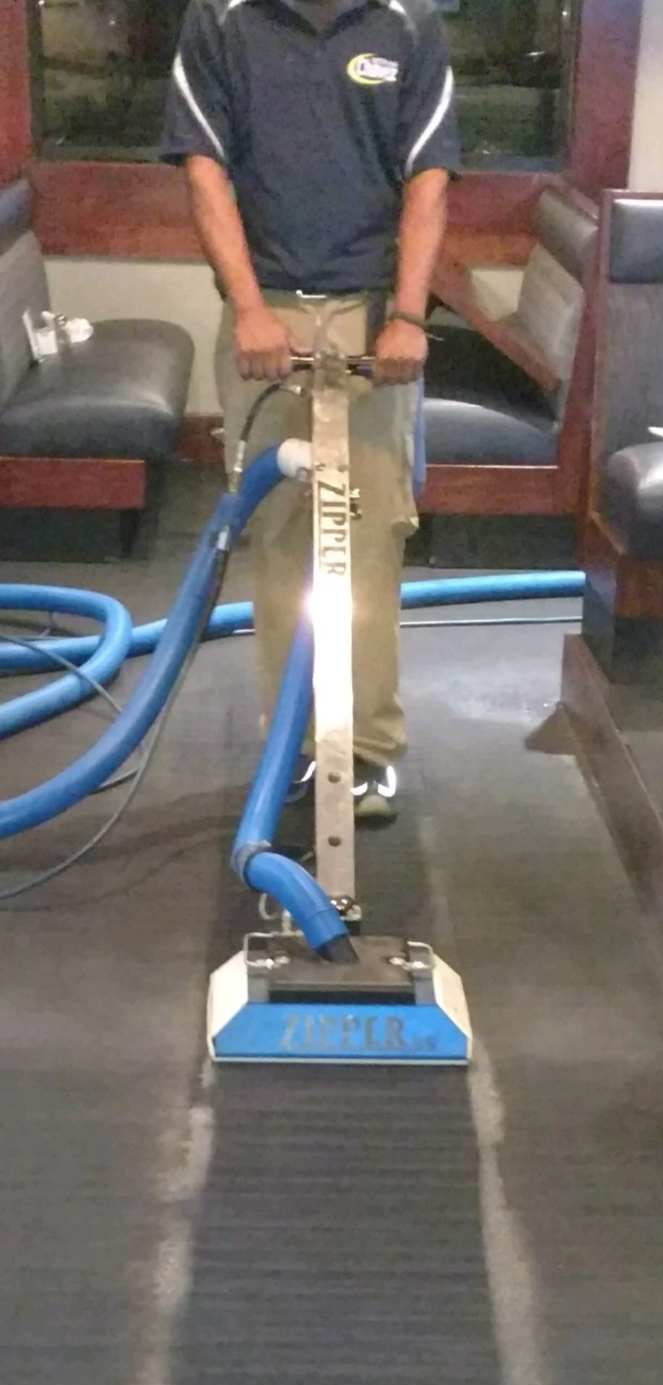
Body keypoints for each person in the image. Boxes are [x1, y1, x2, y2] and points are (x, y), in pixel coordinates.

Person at [160, 0, 460, 823]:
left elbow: (429, 179)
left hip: (372, 309)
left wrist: (408, 315)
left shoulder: (408, 24)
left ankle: (365, 748)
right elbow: (204, 171)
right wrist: (249, 309)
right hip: (268, 313)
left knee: (369, 534)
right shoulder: (221, 20)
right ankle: (292, 743)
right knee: (281, 529)